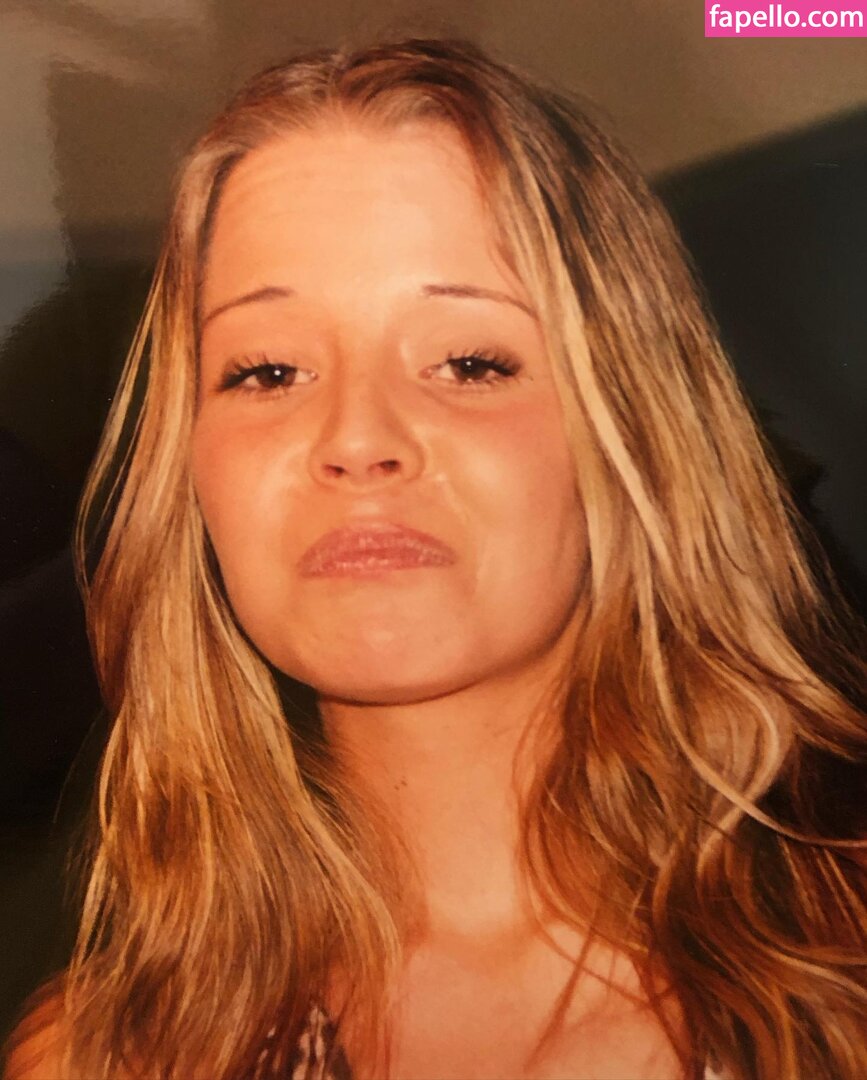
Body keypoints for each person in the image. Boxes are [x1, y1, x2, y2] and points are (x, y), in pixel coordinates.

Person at [4, 33, 867, 1080]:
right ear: (188, 473)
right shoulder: (99, 1056)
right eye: (268, 372)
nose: (356, 437)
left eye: (468, 362)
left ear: (633, 432)